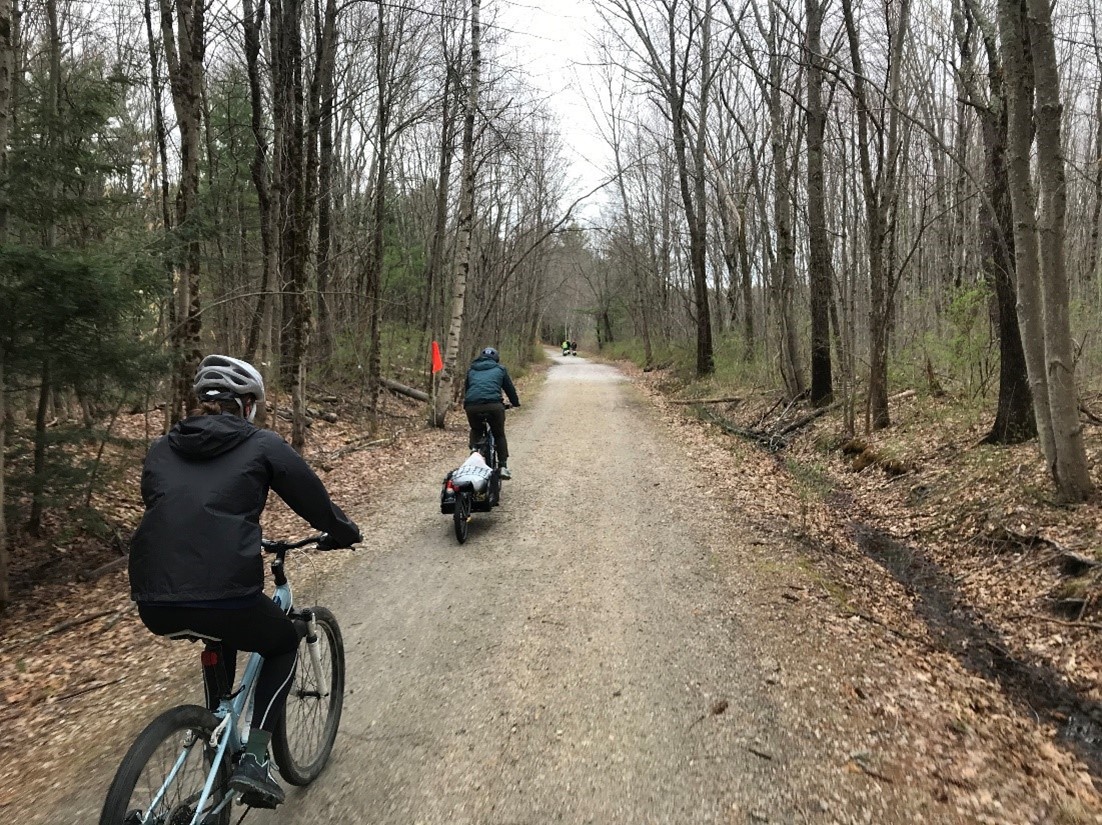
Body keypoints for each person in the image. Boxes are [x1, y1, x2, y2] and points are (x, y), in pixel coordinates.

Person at [128, 354, 361, 809]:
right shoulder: (261, 444)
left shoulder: (160, 448)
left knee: (220, 627)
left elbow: (169, 507)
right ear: (248, 404)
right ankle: (255, 758)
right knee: (279, 640)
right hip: (224, 593)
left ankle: (216, 724)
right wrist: (343, 531)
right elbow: (310, 497)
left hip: (154, 599)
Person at [463, 346, 520, 479]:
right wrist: (515, 403)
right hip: (494, 405)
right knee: (498, 434)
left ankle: (474, 452)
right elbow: (509, 389)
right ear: (496, 359)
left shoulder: (471, 370)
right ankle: (502, 466)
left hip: (472, 406)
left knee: (476, 429)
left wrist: (469, 403)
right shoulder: (500, 369)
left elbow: (467, 390)